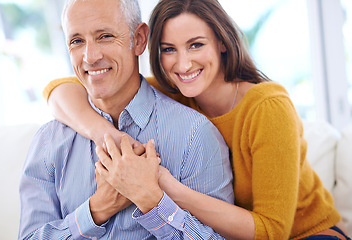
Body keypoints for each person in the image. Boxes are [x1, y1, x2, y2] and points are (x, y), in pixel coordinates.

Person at [43, 0, 351, 239]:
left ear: (221, 42)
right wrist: (107, 135)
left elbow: (272, 232)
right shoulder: (176, 90)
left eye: (196, 44)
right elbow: (59, 90)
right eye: (169, 50)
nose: (183, 62)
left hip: (308, 234)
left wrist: (160, 184)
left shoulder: (267, 107)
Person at [18, 0, 235, 239]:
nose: (90, 57)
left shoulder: (195, 135)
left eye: (105, 36)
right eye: (77, 41)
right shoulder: (49, 141)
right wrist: (97, 209)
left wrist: (152, 201)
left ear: (139, 39)